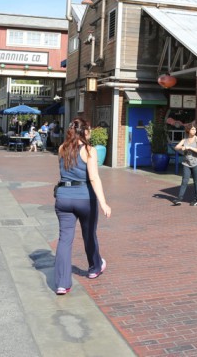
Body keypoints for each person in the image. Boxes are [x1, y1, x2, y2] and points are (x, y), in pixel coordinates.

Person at [54, 117, 112, 295]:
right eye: (89, 130)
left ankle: (62, 284)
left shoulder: (61, 148)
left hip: (63, 198)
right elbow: (94, 178)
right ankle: (95, 267)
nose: (91, 132)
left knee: (64, 240)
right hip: (84, 198)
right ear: (84, 131)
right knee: (89, 235)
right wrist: (103, 202)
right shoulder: (89, 150)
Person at [172, 123, 197, 206]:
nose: (194, 131)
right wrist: (182, 147)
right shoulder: (184, 140)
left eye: (195, 129)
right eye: (192, 129)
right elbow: (176, 147)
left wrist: (190, 147)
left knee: (196, 181)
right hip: (186, 163)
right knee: (184, 181)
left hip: (196, 163)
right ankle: (179, 199)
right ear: (188, 130)